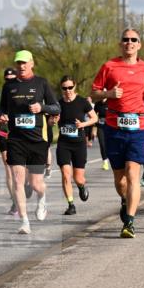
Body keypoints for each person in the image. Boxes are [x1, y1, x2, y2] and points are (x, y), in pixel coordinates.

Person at [91, 29, 144, 239]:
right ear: (121, 44)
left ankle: (129, 222)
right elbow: (93, 93)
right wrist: (108, 94)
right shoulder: (109, 66)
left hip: (139, 126)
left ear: (139, 44)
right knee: (120, 180)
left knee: (132, 174)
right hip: (114, 126)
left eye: (133, 40)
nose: (129, 43)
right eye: (125, 40)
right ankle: (125, 200)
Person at [0, 50, 60, 234]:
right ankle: (24, 221)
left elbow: (56, 107)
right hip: (16, 139)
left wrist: (42, 107)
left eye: (24, 63)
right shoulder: (8, 87)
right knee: (18, 180)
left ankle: (42, 198)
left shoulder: (41, 83)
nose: (21, 66)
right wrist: (3, 117)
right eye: (18, 63)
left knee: (35, 184)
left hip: (37, 140)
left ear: (32, 63)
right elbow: (2, 109)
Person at [54, 75, 97, 215]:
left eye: (70, 87)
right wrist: (53, 121)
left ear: (75, 86)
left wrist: (82, 124)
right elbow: (50, 122)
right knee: (66, 175)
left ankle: (81, 186)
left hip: (79, 144)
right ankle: (71, 204)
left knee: (78, 178)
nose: (68, 90)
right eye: (64, 88)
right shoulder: (58, 104)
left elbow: (94, 118)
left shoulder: (82, 102)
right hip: (63, 144)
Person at [0, 67, 18, 216]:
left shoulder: (22, 91)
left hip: (20, 134)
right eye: (7, 80)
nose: (9, 82)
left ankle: (23, 186)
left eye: (12, 80)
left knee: (20, 169)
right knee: (9, 169)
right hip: (4, 133)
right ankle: (15, 202)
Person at [93, 98, 109, 170]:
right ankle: (105, 162)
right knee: (102, 144)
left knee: (110, 144)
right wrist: (94, 128)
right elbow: (94, 115)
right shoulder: (97, 104)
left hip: (110, 126)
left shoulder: (111, 102)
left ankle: (112, 159)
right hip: (100, 126)